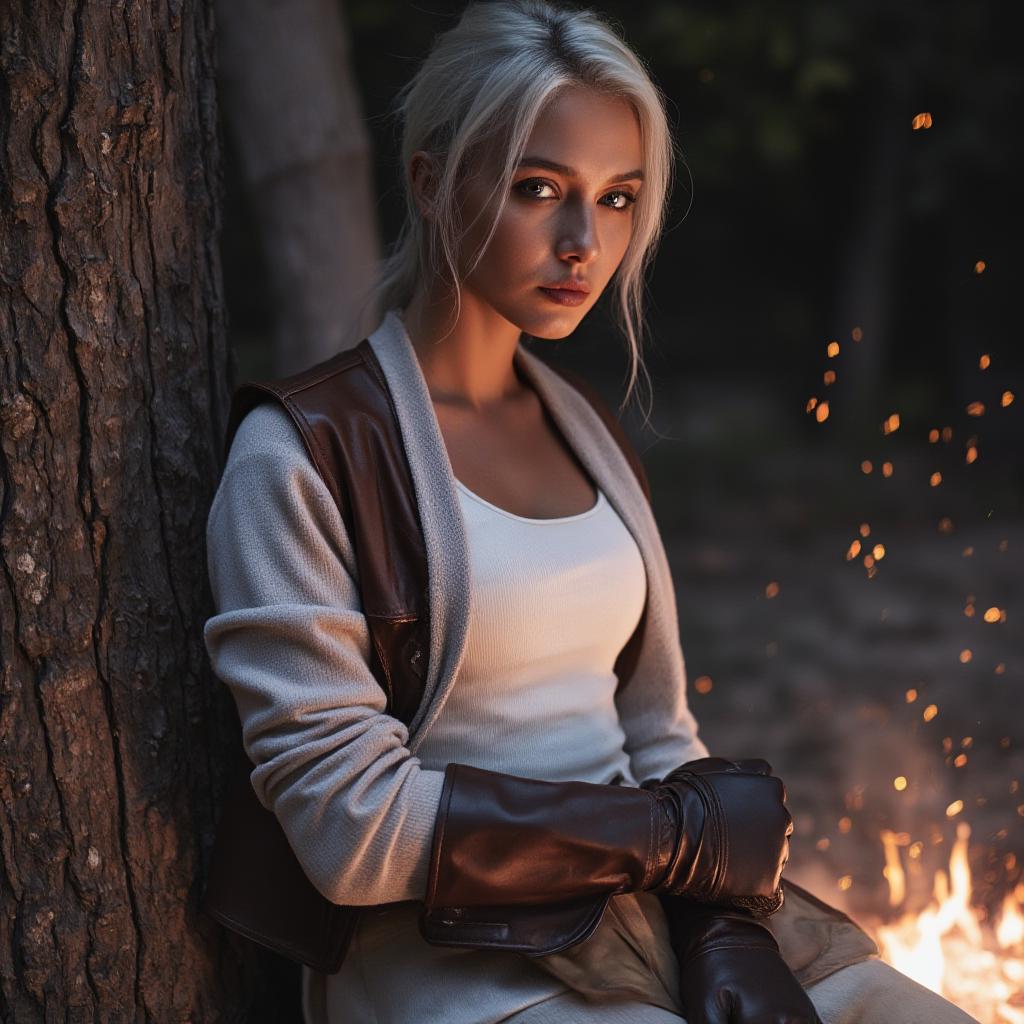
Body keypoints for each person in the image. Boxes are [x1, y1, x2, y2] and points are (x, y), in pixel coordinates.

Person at [203, 2, 981, 1021]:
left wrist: (722, 926)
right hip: (448, 957)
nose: (584, 242)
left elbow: (658, 732)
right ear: (430, 181)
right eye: (539, 190)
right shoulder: (301, 455)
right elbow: (348, 831)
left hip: (646, 910)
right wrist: (673, 838)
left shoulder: (590, 436)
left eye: (617, 198)